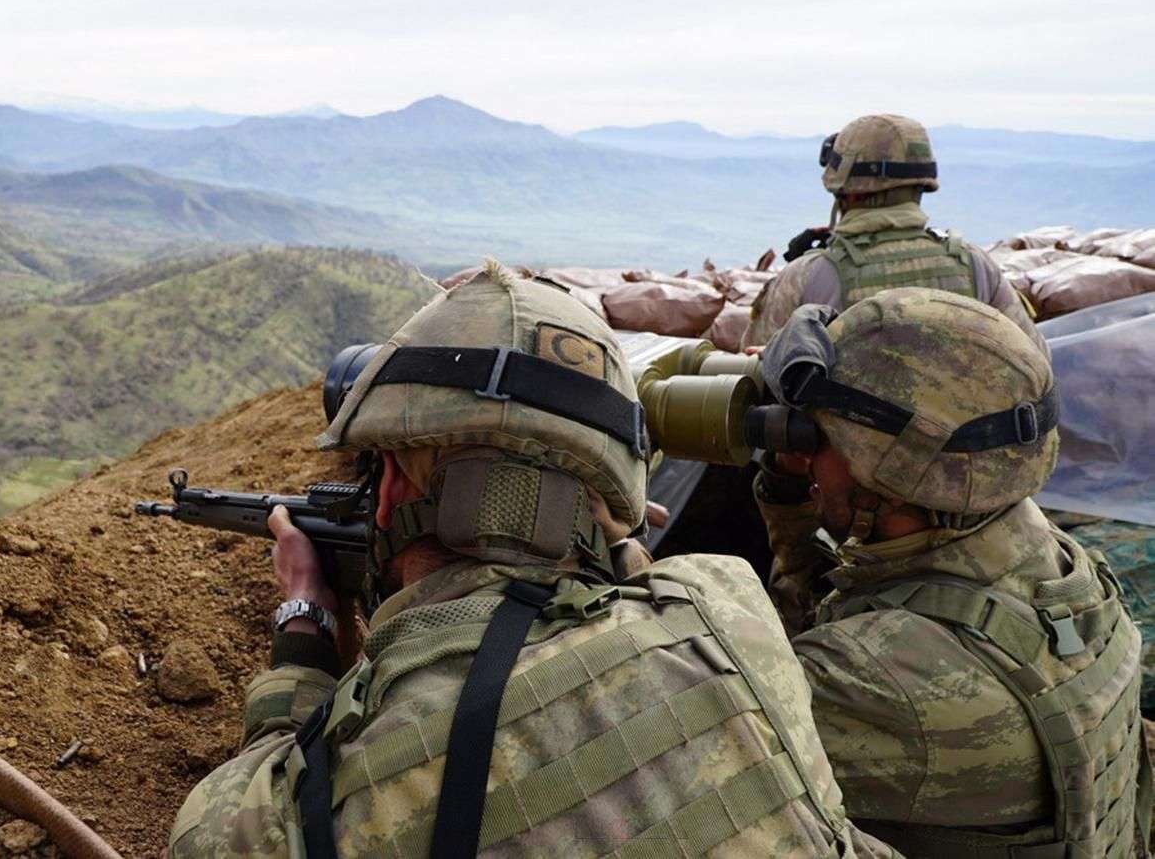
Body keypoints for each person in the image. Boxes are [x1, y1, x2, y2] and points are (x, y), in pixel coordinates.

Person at [167, 264, 898, 857]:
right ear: (610, 492)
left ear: (388, 487)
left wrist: (305, 628)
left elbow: (216, 829)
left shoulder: (348, 797)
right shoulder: (727, 604)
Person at [751, 287, 1150, 856]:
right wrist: (795, 491)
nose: (804, 451)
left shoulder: (882, 677)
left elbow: (684, 750)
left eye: (818, 437)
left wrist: (620, 543)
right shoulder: (1057, 558)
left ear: (891, 472)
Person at [741, 114, 1047, 354]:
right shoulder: (976, 266)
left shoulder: (806, 277)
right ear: (922, 184)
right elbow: (1035, 361)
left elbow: (752, 377)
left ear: (845, 190)